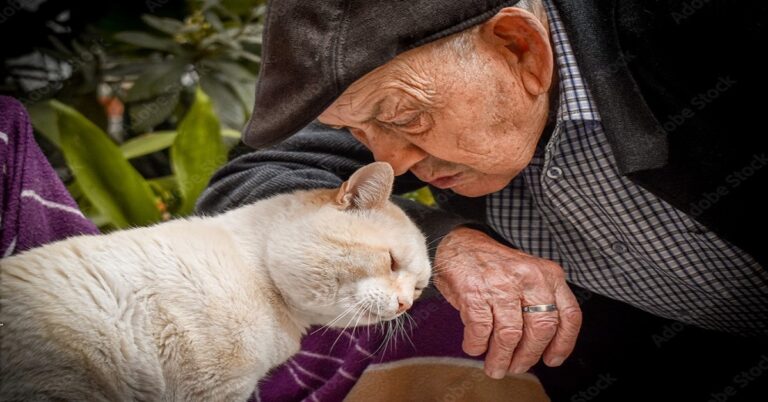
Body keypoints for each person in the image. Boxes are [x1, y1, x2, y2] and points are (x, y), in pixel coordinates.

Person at [197, 0, 768, 400]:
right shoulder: (381, 87)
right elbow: (253, 188)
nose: (392, 163)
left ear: (522, 50)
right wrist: (439, 241)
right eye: (364, 132)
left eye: (404, 118)